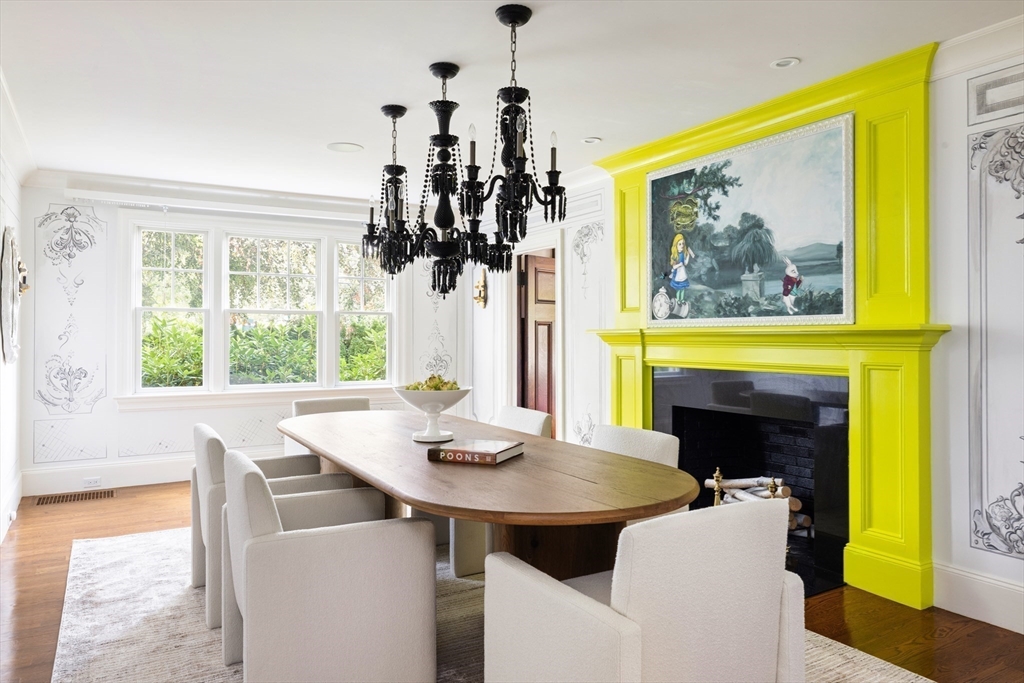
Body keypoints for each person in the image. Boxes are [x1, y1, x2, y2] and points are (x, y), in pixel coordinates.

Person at [669, 233, 695, 306]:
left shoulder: (683, 254)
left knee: (683, 288)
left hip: (683, 273)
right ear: (676, 245)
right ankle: (678, 301)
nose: (682, 246)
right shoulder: (674, 255)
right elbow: (674, 267)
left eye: (683, 244)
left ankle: (682, 300)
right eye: (679, 244)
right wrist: (679, 265)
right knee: (678, 289)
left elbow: (685, 263)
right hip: (677, 274)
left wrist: (688, 255)